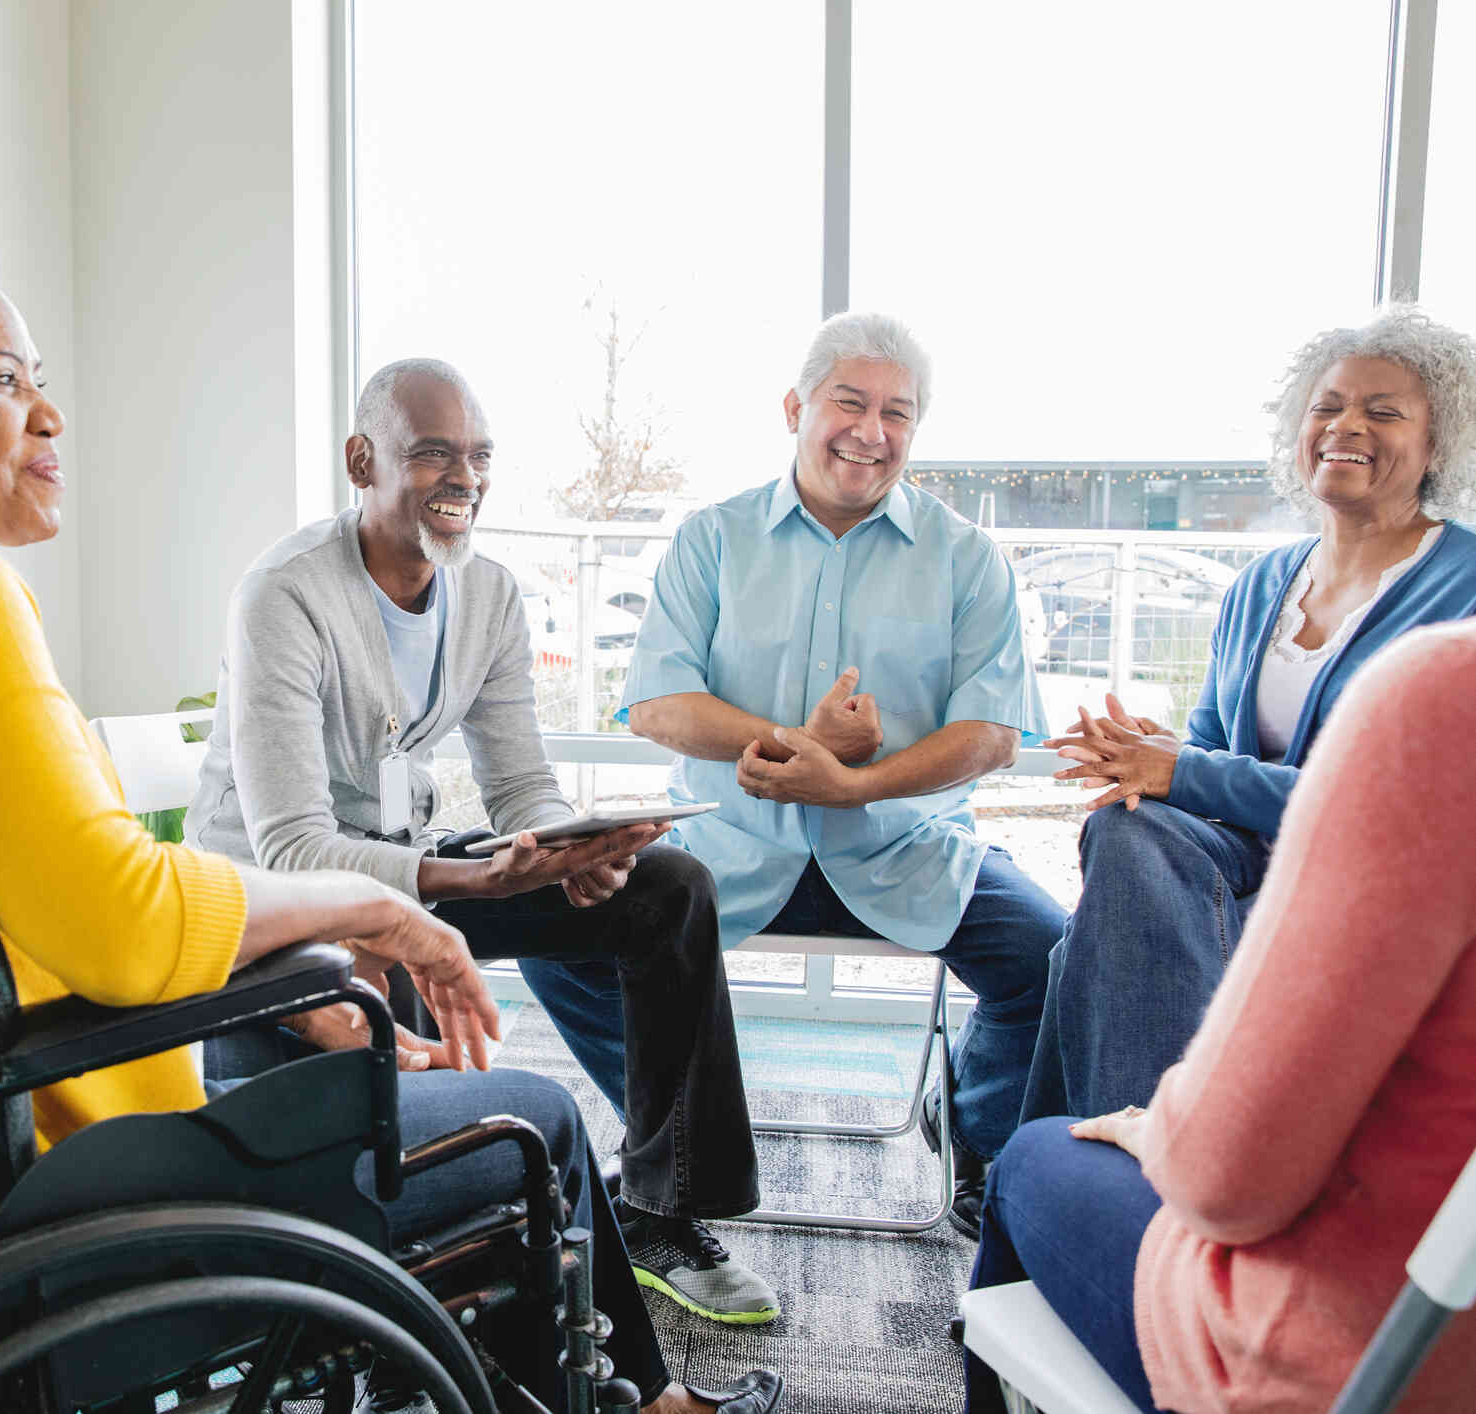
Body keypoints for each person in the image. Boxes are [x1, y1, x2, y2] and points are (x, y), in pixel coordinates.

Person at [0, 236, 781, 1414]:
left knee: (574, 966)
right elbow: (120, 918)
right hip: (76, 1180)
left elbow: (34, 908)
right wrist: (369, 911)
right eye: (3, 379)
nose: (50, 412)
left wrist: (286, 953)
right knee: (530, 1118)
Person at [187, 358, 778, 1325]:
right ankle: (445, 1277)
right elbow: (291, 847)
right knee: (410, 968)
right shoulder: (284, 596)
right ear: (361, 459)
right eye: (431, 455)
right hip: (283, 899)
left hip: (414, 866)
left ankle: (665, 1210)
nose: (462, 478)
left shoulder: (490, 597)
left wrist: (570, 846)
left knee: (667, 887)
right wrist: (466, 879)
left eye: (478, 457)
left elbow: (517, 781)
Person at [620, 312, 1066, 1240]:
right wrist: (799, 746)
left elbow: (992, 735)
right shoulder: (712, 539)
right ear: (795, 407)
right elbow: (659, 706)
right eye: (848, 403)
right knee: (569, 935)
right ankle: (677, 1148)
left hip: (906, 850)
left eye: (897, 413)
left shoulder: (966, 557)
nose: (871, 432)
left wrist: (857, 786)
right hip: (727, 850)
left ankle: (977, 1140)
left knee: (1057, 960)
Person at [965, 619, 1476, 1413]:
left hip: (1360, 1364)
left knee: (1034, 1157)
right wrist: (1172, 760)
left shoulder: (1445, 685)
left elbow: (1229, 1187)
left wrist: (1154, 1128)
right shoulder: (1267, 587)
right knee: (1121, 849)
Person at [1020, 304, 1476, 1127]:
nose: (1345, 426)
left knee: (1085, 951)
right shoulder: (1262, 583)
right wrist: (1148, 757)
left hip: (1369, 895)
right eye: (1327, 406)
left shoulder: (1466, 590)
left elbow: (1404, 809)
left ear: (1437, 446)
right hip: (1232, 874)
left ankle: (1098, 1160)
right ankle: (1140, 1149)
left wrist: (1183, 772)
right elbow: (1208, 745)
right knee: (1124, 831)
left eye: (1382, 411)